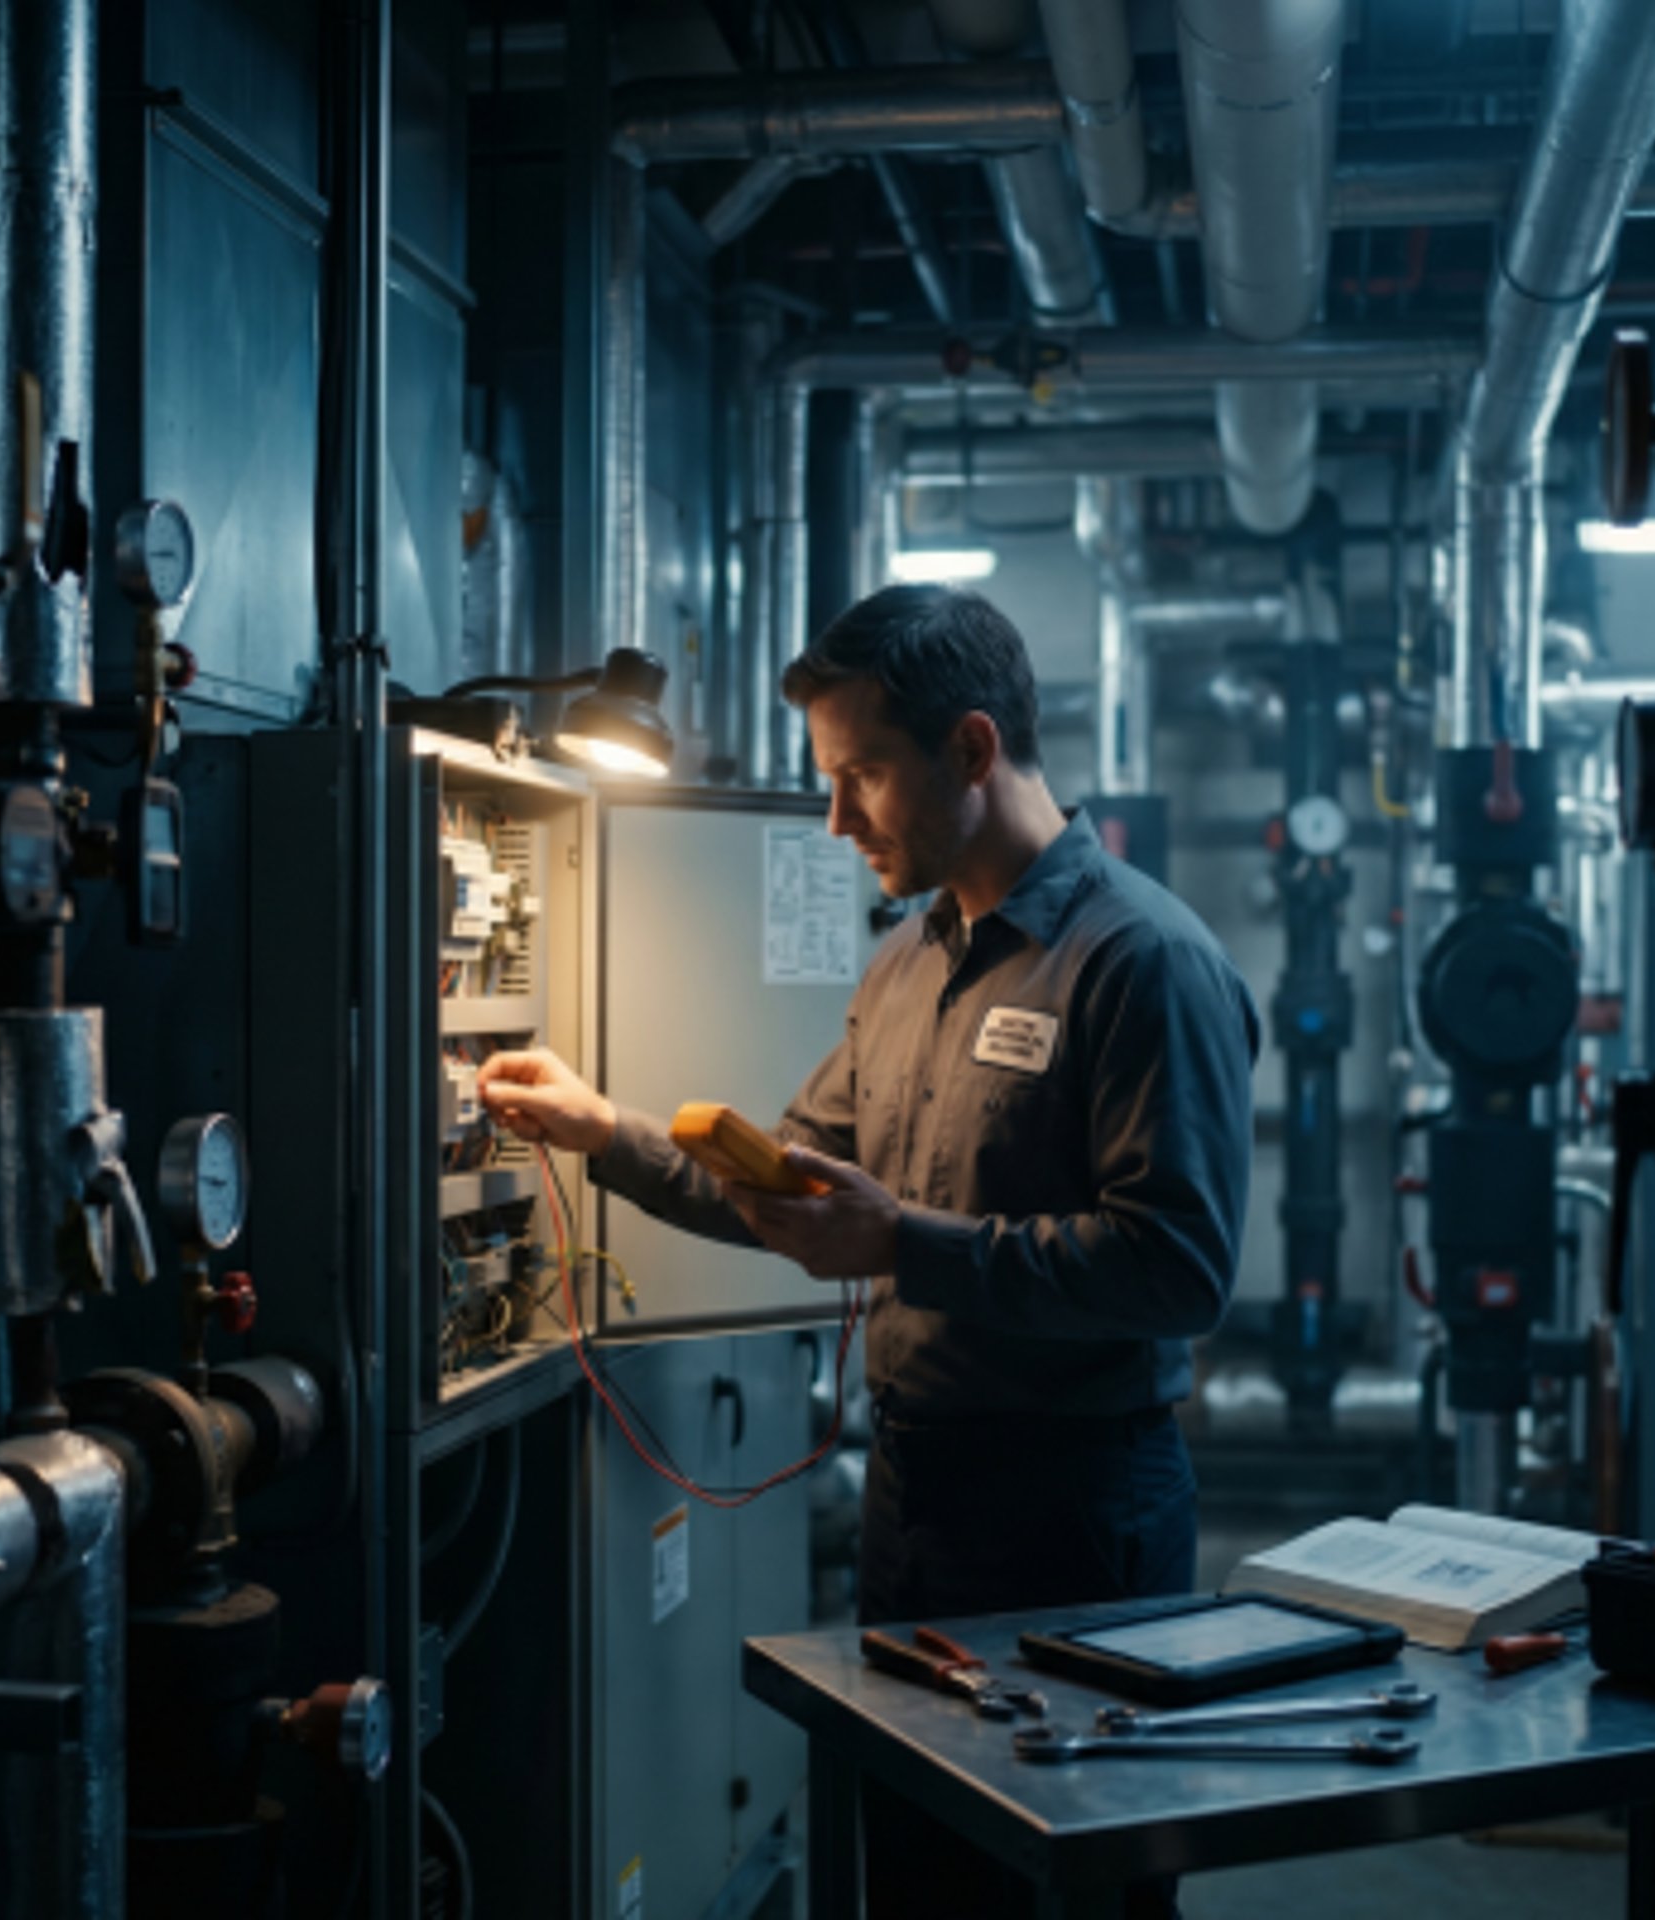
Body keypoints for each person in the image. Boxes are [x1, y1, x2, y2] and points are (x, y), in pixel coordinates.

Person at [480, 584, 1259, 1918]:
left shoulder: (1141, 962)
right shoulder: (907, 965)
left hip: (1076, 1516)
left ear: (970, 750)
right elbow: (787, 1197)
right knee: (920, 1876)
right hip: (918, 1499)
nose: (836, 820)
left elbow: (1176, 1268)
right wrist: (601, 1128)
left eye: (861, 777)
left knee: (1065, 1886)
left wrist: (905, 1242)